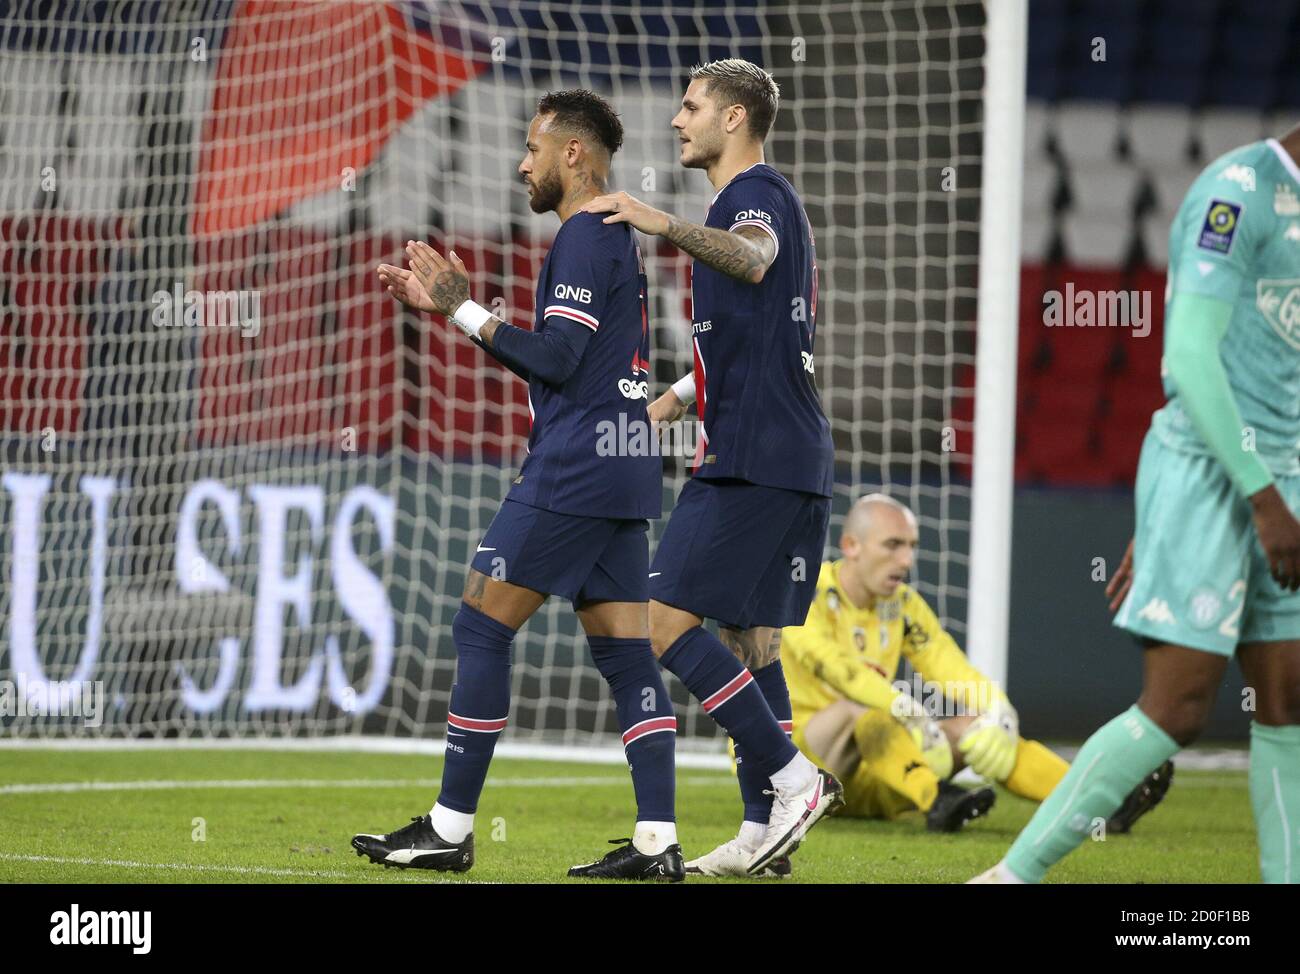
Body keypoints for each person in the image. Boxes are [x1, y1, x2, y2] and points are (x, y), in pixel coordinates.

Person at [352, 90, 681, 880]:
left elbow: (560, 362)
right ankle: (657, 843)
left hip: (576, 468)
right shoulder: (614, 235)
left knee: (479, 626)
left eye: (534, 148)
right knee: (627, 658)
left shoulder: (582, 234)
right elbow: (578, 358)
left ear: (574, 153)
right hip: (625, 460)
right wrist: (462, 309)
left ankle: (449, 827)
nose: (522, 163)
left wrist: (461, 309)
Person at [972, 127, 1300, 884]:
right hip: (1215, 476)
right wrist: (1260, 498)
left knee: (1286, 697)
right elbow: (1186, 357)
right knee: (1179, 707)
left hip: (1280, 483)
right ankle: (1009, 878)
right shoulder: (1237, 193)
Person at [582, 58, 841, 876]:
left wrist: (657, 221)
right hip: (788, 451)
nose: (676, 120)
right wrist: (672, 399)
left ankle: (796, 780)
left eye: (691, 107)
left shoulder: (750, 197)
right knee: (753, 642)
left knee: (663, 619)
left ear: (735, 119)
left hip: (756, 458)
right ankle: (764, 828)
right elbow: (758, 336)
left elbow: (753, 258)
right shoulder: (768, 199)